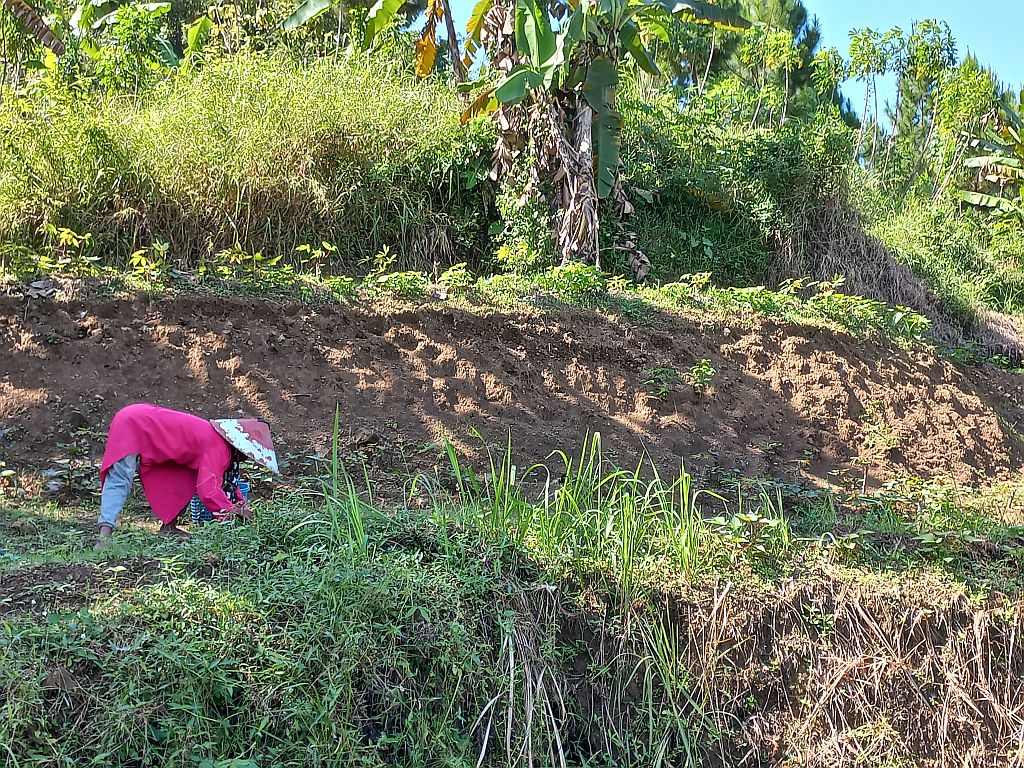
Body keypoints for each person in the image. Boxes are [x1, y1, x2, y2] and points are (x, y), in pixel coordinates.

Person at [95, 403, 280, 550]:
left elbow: (228, 483)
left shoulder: (222, 444)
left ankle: (169, 527)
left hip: (142, 420)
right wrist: (230, 517)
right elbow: (209, 490)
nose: (247, 458)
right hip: (133, 423)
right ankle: (103, 537)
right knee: (120, 479)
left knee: (183, 479)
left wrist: (243, 508)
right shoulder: (218, 448)